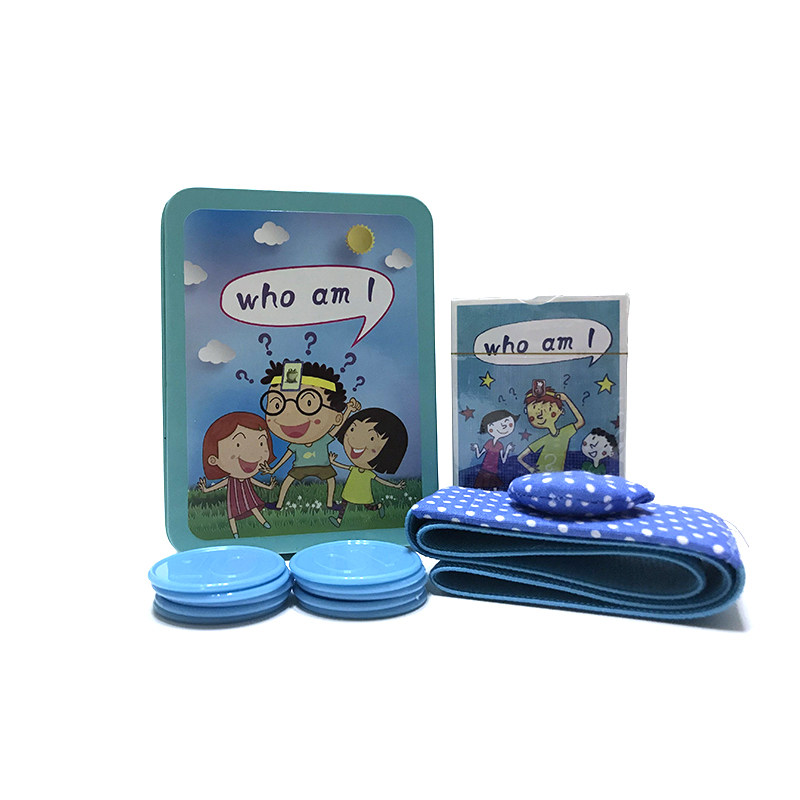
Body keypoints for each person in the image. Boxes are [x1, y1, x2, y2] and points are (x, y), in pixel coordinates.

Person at [260, 359, 360, 510]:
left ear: (336, 416)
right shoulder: (296, 444)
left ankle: (330, 503)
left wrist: (349, 411)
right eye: (277, 405)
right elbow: (286, 456)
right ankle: (279, 504)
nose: (290, 415)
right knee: (287, 481)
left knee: (331, 480)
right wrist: (273, 469)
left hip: (322, 466)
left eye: (308, 403)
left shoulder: (323, 439)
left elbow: (338, 428)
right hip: (300, 467)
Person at [197, 412, 277, 538]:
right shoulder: (231, 479)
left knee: (253, 507)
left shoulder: (247, 478)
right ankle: (235, 533)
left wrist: (268, 487)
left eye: (261, 443)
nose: (252, 453)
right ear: (214, 459)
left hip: (248, 496)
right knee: (232, 515)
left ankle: (264, 522)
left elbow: (255, 482)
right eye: (238, 444)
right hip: (233, 499)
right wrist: (206, 490)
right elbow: (221, 484)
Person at [328, 408, 408, 527]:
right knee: (344, 503)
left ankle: (379, 506)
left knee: (368, 506)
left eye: (372, 438)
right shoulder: (354, 469)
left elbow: (381, 481)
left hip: (363, 494)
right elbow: (344, 466)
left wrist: (395, 486)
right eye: (352, 429)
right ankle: (338, 520)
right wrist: (333, 462)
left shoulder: (369, 473)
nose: (354, 440)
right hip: (350, 491)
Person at [516, 379, 584, 473]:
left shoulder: (565, 432)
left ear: (561, 411)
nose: (540, 415)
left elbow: (580, 422)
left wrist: (567, 400)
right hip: (540, 475)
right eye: (534, 413)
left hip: (558, 475)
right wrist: (530, 468)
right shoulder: (545, 439)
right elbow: (520, 458)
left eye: (549, 409)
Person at [470, 410, 518, 489]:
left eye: (508, 424)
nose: (503, 427)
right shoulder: (489, 443)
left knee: (494, 488)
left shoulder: (500, 445)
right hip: (484, 469)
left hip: (493, 471)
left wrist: (508, 449)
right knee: (481, 487)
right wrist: (476, 448)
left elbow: (503, 460)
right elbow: (479, 455)